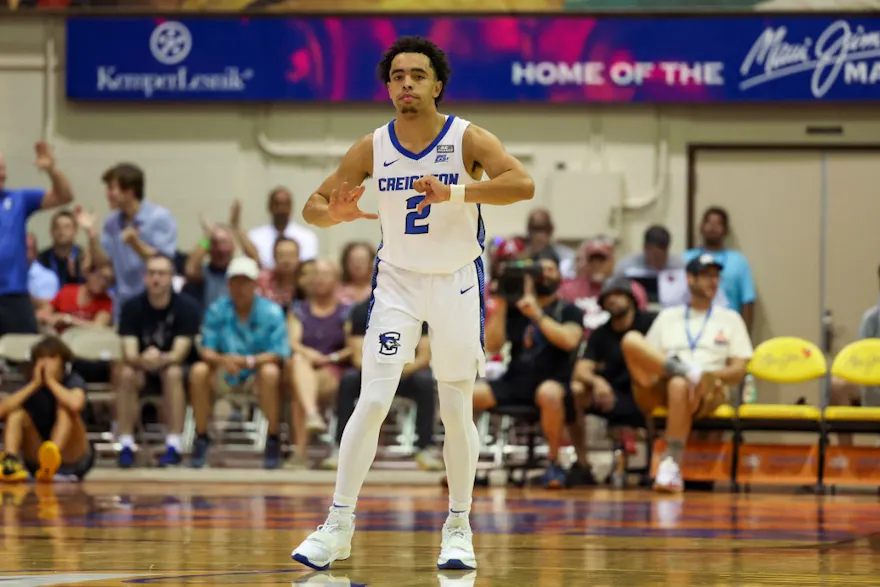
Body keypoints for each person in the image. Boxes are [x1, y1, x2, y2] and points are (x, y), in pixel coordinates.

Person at [291, 36, 534, 571]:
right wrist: (339, 212)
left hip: (456, 282)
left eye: (417, 75)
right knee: (373, 399)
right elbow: (314, 208)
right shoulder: (371, 146)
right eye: (397, 76)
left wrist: (455, 192)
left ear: (437, 84)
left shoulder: (467, 137)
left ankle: (458, 526)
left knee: (454, 406)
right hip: (398, 282)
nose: (406, 84)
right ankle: (337, 526)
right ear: (388, 87)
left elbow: (522, 184)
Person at [621, 254, 753, 493]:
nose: (714, 282)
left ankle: (671, 464)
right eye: (707, 276)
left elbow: (739, 370)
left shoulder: (730, 318)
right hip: (661, 381)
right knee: (631, 339)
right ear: (690, 279)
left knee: (680, 385)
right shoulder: (668, 316)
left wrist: (710, 375)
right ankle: (685, 371)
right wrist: (677, 371)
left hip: (707, 387)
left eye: (716, 276)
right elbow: (649, 358)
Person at [472, 250, 584, 489]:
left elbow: (569, 340)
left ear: (559, 278)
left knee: (549, 393)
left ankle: (553, 464)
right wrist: (502, 302)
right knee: (469, 395)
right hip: (516, 381)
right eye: (538, 270)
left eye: (550, 270)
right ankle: (466, 465)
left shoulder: (569, 310)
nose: (544, 274)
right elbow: (492, 346)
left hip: (553, 381)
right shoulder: (514, 310)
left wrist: (537, 314)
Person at [188, 257, 289, 469]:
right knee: (198, 371)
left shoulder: (271, 312)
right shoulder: (217, 310)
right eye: (235, 282)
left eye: (245, 282)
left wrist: (248, 361)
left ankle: (272, 438)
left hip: (256, 374)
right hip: (224, 372)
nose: (240, 288)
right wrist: (223, 360)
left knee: (271, 372)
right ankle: (201, 436)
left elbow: (278, 352)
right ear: (228, 284)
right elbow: (207, 349)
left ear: (255, 284)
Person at [117, 254, 202, 468]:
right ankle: (125, 444)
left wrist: (161, 357)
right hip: (141, 367)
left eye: (162, 274)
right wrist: (142, 359)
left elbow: (179, 353)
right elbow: (129, 352)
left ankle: (174, 444)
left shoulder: (187, 307)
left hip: (174, 369)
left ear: (171, 278)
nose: (156, 279)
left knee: (172, 372)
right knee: (125, 373)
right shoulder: (132, 307)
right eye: (152, 273)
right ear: (145, 277)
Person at [569, 277, 654, 481]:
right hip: (610, 397)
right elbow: (581, 369)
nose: (613, 300)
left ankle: (655, 467)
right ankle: (582, 464)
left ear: (631, 299)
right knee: (576, 389)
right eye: (608, 297)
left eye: (619, 294)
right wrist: (597, 382)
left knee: (653, 393)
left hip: (646, 393)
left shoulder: (650, 323)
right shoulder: (600, 334)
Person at [0, 142, 74, 335]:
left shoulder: (18, 199)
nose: (3, 175)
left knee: (25, 354)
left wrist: (52, 170)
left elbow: (64, 196)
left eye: (4, 168)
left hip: (13, 295)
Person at [0, 336, 94, 483]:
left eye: (51, 357)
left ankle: (52, 456)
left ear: (62, 361)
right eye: (41, 358)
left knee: (66, 408)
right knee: (16, 413)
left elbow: (76, 404)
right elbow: (2, 411)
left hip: (73, 456)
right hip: (37, 456)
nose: (45, 363)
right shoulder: (28, 384)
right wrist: (35, 384)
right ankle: (10, 463)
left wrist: (51, 382)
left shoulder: (73, 380)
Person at [248, 187, 319, 267]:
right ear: (269, 207)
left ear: (291, 207)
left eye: (285, 204)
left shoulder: (307, 237)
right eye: (276, 204)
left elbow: (307, 269)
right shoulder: (254, 236)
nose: (281, 209)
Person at [38, 210, 89, 287]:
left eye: (67, 227)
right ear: (51, 231)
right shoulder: (40, 259)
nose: (61, 231)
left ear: (75, 231)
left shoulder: (84, 257)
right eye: (57, 227)